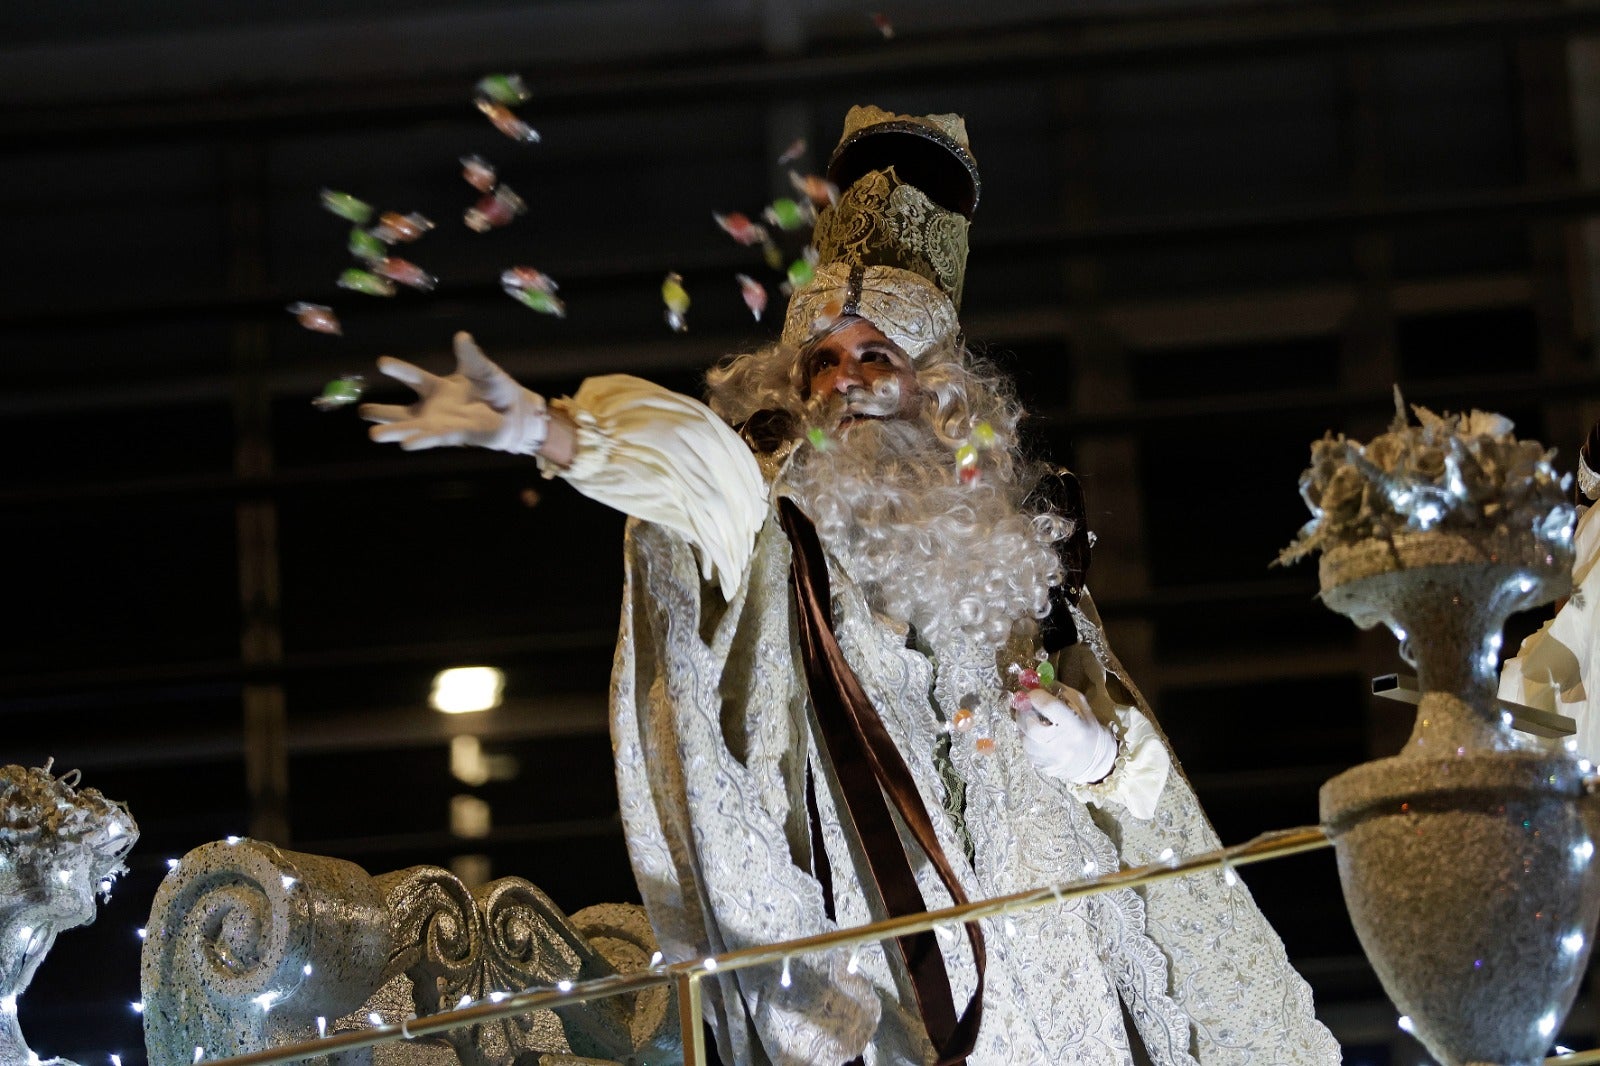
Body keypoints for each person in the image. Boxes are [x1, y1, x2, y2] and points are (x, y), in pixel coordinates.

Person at [363, 106, 1339, 1066]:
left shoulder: (1017, 564)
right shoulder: (774, 520)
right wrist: (545, 428)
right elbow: (693, 476)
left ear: (937, 388)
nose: (847, 380)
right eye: (822, 361)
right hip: (894, 995)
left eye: (875, 355)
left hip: (1059, 993)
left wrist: (1094, 754)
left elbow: (1140, 784)